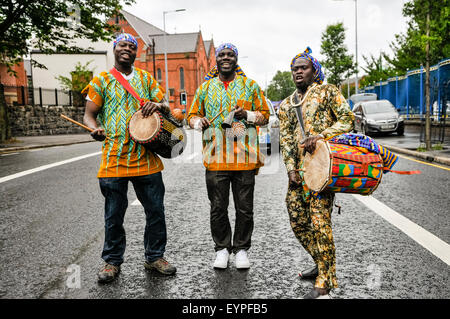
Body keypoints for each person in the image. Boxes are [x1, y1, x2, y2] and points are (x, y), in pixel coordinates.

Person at [82, 33, 176, 283]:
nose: (127, 49)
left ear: (136, 53)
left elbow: (165, 104)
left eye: (131, 47)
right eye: (122, 45)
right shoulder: (101, 80)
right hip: (113, 159)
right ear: (114, 49)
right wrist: (94, 128)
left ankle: (154, 257)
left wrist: (157, 106)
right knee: (113, 216)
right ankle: (112, 262)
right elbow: (89, 114)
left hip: (146, 159)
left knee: (155, 211)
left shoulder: (145, 78)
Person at [278, 47, 354, 298]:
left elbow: (347, 119)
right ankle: (323, 263)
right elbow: (287, 140)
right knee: (297, 220)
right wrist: (291, 170)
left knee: (321, 222)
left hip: (323, 170)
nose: (298, 72)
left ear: (314, 70)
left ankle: (325, 279)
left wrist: (322, 136)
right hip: (299, 172)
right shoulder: (288, 104)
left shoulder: (328, 91)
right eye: (294, 69)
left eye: (303, 67)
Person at [187, 43, 270, 269]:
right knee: (217, 207)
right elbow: (191, 115)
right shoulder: (205, 88)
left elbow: (265, 115)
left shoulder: (250, 86)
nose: (225, 58)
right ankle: (222, 249)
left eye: (230, 54)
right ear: (216, 60)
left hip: (244, 158)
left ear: (236, 59)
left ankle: (242, 249)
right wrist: (198, 122)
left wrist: (248, 114)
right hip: (215, 158)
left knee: (245, 208)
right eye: (221, 54)